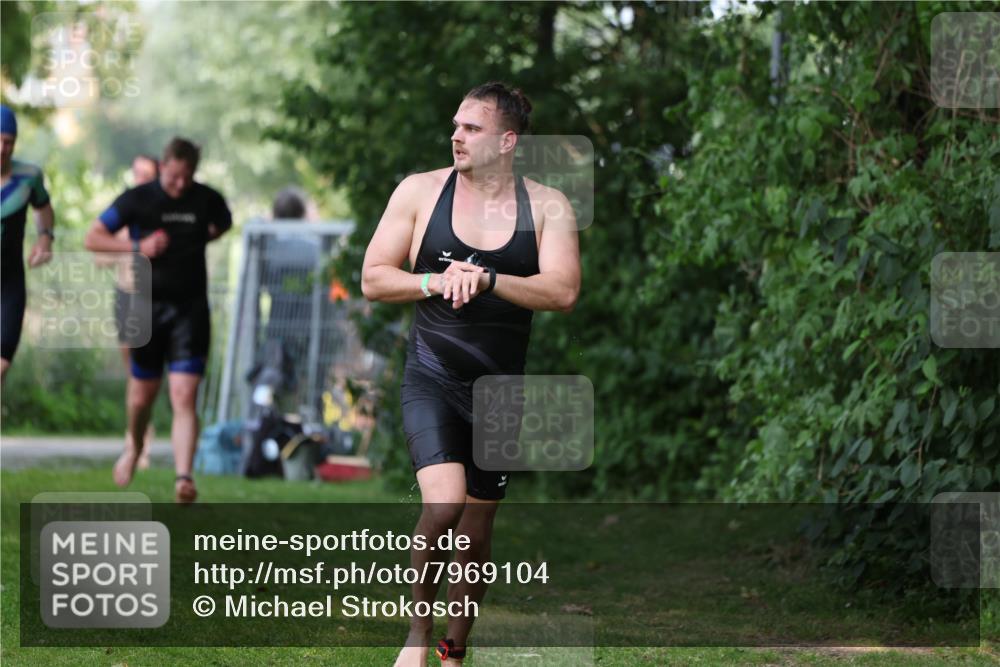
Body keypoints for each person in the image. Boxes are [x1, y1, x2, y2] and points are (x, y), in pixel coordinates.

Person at [361, 83, 581, 666]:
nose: (456, 135)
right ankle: (416, 633)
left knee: (476, 537)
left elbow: (562, 291)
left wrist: (487, 279)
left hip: (501, 393)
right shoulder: (420, 192)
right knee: (444, 504)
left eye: (472, 128)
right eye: (456, 125)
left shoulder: (549, 205)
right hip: (431, 376)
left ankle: (453, 651)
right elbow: (374, 278)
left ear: (507, 141)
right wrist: (434, 281)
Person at [84, 137, 232, 503]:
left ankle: (184, 478)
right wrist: (138, 248)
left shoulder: (207, 199)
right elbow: (93, 238)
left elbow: (222, 225)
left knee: (184, 393)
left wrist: (196, 241)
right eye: (174, 178)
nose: (180, 185)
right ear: (163, 166)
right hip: (145, 308)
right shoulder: (138, 198)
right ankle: (134, 446)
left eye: (187, 178)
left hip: (190, 310)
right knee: (141, 397)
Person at [1, 105, 56, 383]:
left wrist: (45, 237)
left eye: (8, 141)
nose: (2, 148)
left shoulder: (29, 177)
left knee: (0, 366)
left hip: (8, 284)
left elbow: (43, 207)